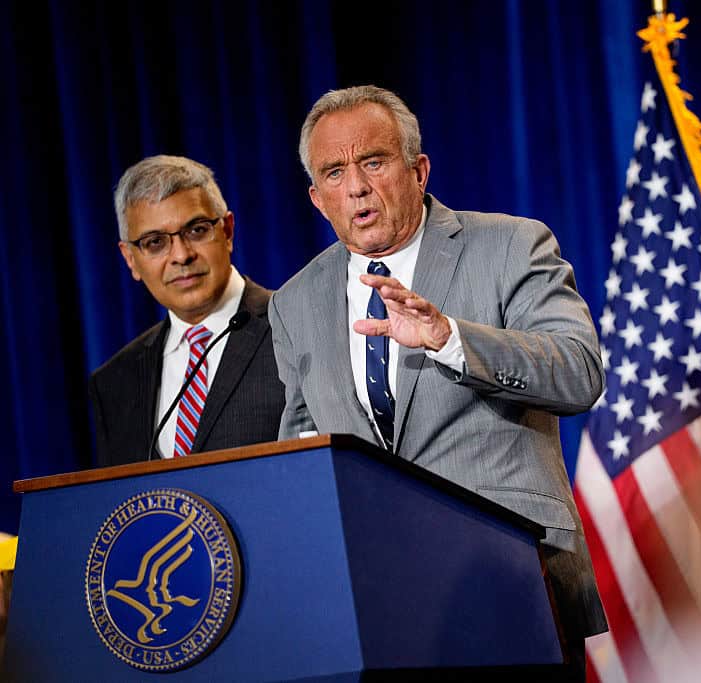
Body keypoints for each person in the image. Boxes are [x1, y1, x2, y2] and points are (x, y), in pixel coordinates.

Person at [269, 86, 606, 677]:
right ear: (317, 198)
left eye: (374, 161)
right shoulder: (294, 302)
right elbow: (301, 448)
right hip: (377, 607)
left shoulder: (510, 245)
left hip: (514, 582)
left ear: (418, 170)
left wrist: (450, 337)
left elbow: (578, 371)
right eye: (334, 173)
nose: (356, 187)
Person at [89, 155, 285, 465]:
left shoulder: (293, 327)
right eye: (155, 242)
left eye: (196, 230)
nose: (181, 255)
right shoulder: (114, 383)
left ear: (227, 231)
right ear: (130, 259)